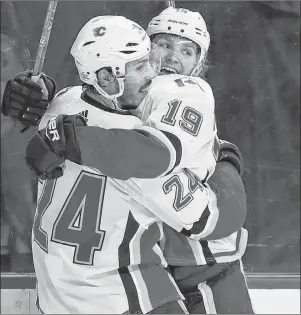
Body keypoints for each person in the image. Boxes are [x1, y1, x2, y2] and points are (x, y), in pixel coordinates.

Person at [2, 9, 253, 314]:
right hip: (147, 262)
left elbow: (211, 213)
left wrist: (226, 158)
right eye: (162, 46)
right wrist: (38, 96)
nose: (171, 58)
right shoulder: (123, 123)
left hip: (204, 265)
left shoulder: (180, 104)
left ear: (200, 65)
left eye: (187, 50)